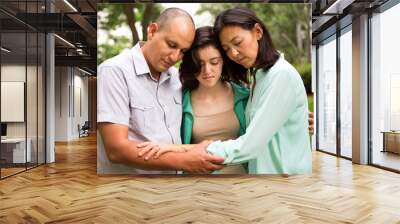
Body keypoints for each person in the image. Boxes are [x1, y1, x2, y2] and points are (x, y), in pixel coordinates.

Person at [97, 8, 225, 174]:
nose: (174, 57)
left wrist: (196, 149)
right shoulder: (114, 71)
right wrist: (183, 161)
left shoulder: (176, 79)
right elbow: (116, 149)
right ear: (152, 31)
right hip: (130, 192)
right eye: (171, 45)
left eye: (183, 51)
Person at [206, 7, 312, 174]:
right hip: (264, 182)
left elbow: (250, 146)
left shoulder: (281, 75)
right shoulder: (258, 76)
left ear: (257, 32)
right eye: (226, 49)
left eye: (238, 42)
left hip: (286, 186)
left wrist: (202, 149)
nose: (233, 53)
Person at [137, 26, 250, 174]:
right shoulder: (179, 99)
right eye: (199, 64)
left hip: (241, 183)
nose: (207, 71)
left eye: (214, 62)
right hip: (196, 184)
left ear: (224, 61)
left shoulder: (245, 96)